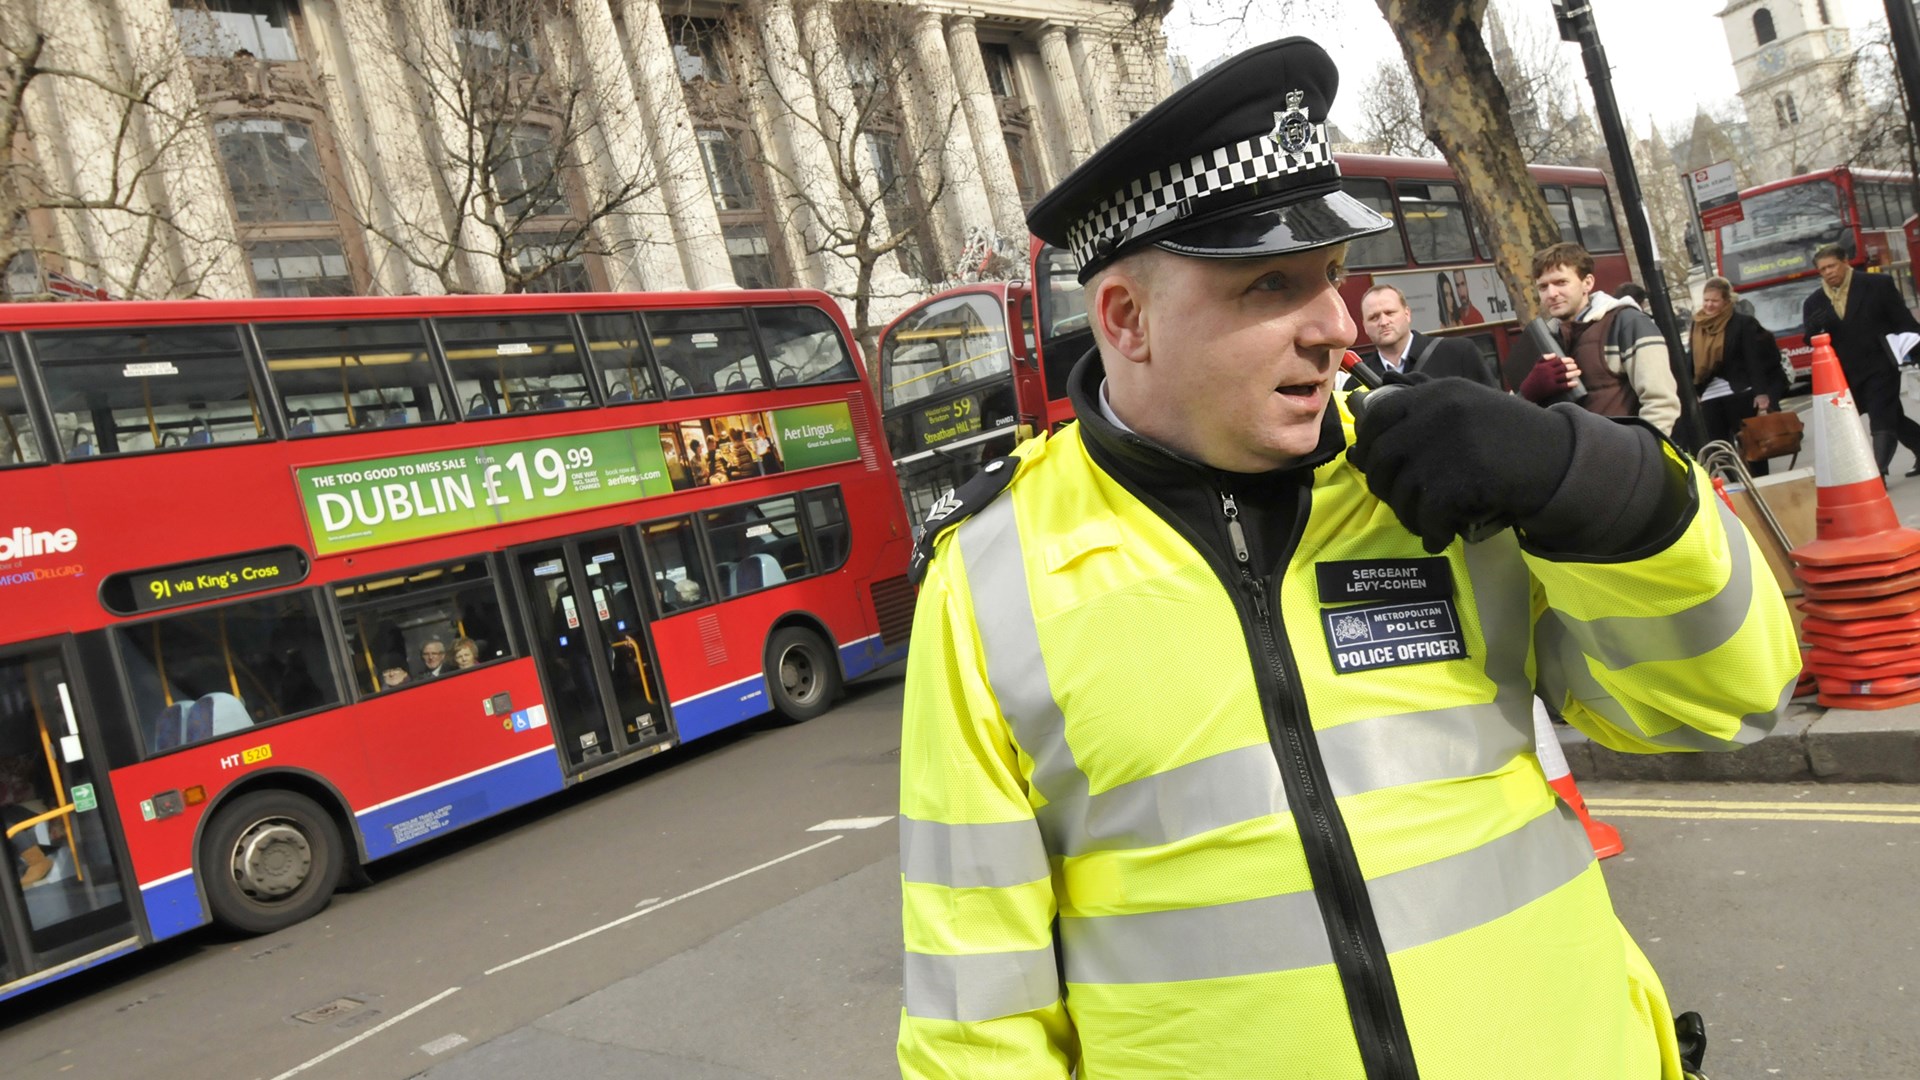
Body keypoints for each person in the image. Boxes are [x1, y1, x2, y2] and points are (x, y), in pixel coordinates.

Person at [896, 36, 1795, 1080]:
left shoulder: (1444, 473)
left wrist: (1600, 487)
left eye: (1333, 275)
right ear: (1127, 319)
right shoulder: (993, 571)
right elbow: (976, 1014)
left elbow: (1733, 696)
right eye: (1270, 285)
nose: (1333, 325)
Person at [1531, 242, 1683, 437]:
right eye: (1543, 287)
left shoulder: (1628, 322)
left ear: (1587, 283)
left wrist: (1641, 456)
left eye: (1561, 282)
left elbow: (1661, 404)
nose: (1551, 294)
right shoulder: (1546, 339)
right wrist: (1529, 393)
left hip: (1625, 459)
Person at [1802, 243, 1920, 477]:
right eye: (1822, 269)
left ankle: (1877, 473)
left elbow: (1903, 320)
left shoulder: (1877, 285)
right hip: (1845, 372)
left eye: (1832, 266)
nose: (1828, 272)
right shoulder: (1814, 302)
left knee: (1881, 416)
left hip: (1881, 364)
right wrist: (1814, 329)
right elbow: (1811, 339)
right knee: (1891, 415)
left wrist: (1915, 351)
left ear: (1845, 262)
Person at [1693, 276, 1789, 475]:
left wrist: (1762, 394)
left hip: (1740, 390)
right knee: (1718, 446)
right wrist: (1692, 391)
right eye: (1706, 300)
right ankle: (1737, 482)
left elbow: (1753, 360)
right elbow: (1692, 359)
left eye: (1715, 300)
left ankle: (1761, 481)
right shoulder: (1697, 325)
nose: (1709, 305)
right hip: (1710, 394)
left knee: (1751, 442)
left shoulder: (1742, 323)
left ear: (1726, 302)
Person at [1345, 283, 1498, 389]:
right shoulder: (1357, 381)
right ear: (1364, 326)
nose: (1383, 322)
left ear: (1407, 314)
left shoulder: (1459, 354)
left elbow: (1494, 409)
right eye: (1374, 317)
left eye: (1390, 313)